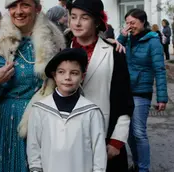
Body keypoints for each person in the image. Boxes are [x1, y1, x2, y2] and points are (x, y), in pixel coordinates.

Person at [0, 0, 65, 171]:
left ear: (37, 8)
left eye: (25, 5)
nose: (18, 11)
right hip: (9, 125)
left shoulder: (53, 40)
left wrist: (111, 42)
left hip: (45, 119)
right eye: (13, 6)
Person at [65, 0, 134, 171]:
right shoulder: (61, 50)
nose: (77, 23)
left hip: (103, 134)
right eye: (73, 17)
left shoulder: (113, 53)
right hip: (67, 137)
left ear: (97, 22)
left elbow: (124, 101)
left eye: (84, 17)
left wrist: (117, 141)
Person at [27, 48, 107, 172]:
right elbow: (33, 147)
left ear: (82, 76)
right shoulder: (40, 109)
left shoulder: (91, 112)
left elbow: (99, 151)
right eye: (61, 72)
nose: (67, 77)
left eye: (74, 73)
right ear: (54, 75)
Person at [118, 8, 168, 172]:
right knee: (129, 133)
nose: (129, 26)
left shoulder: (153, 41)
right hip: (126, 90)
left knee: (139, 132)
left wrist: (162, 97)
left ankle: (143, 169)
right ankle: (138, 164)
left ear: (142, 21)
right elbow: (116, 52)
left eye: (132, 22)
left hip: (141, 91)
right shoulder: (129, 38)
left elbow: (160, 69)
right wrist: (122, 37)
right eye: (127, 23)